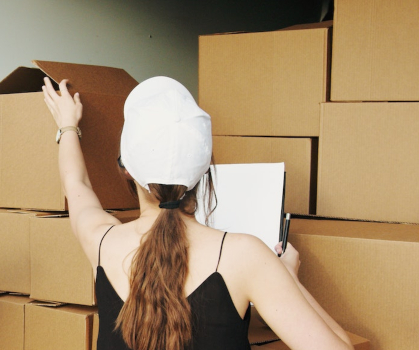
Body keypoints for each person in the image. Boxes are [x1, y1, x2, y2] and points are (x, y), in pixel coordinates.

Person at [42, 76, 353, 350]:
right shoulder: (247, 256)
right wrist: (286, 278)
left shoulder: (102, 241)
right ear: (205, 169)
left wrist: (68, 125)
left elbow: (76, 183)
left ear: (126, 170)